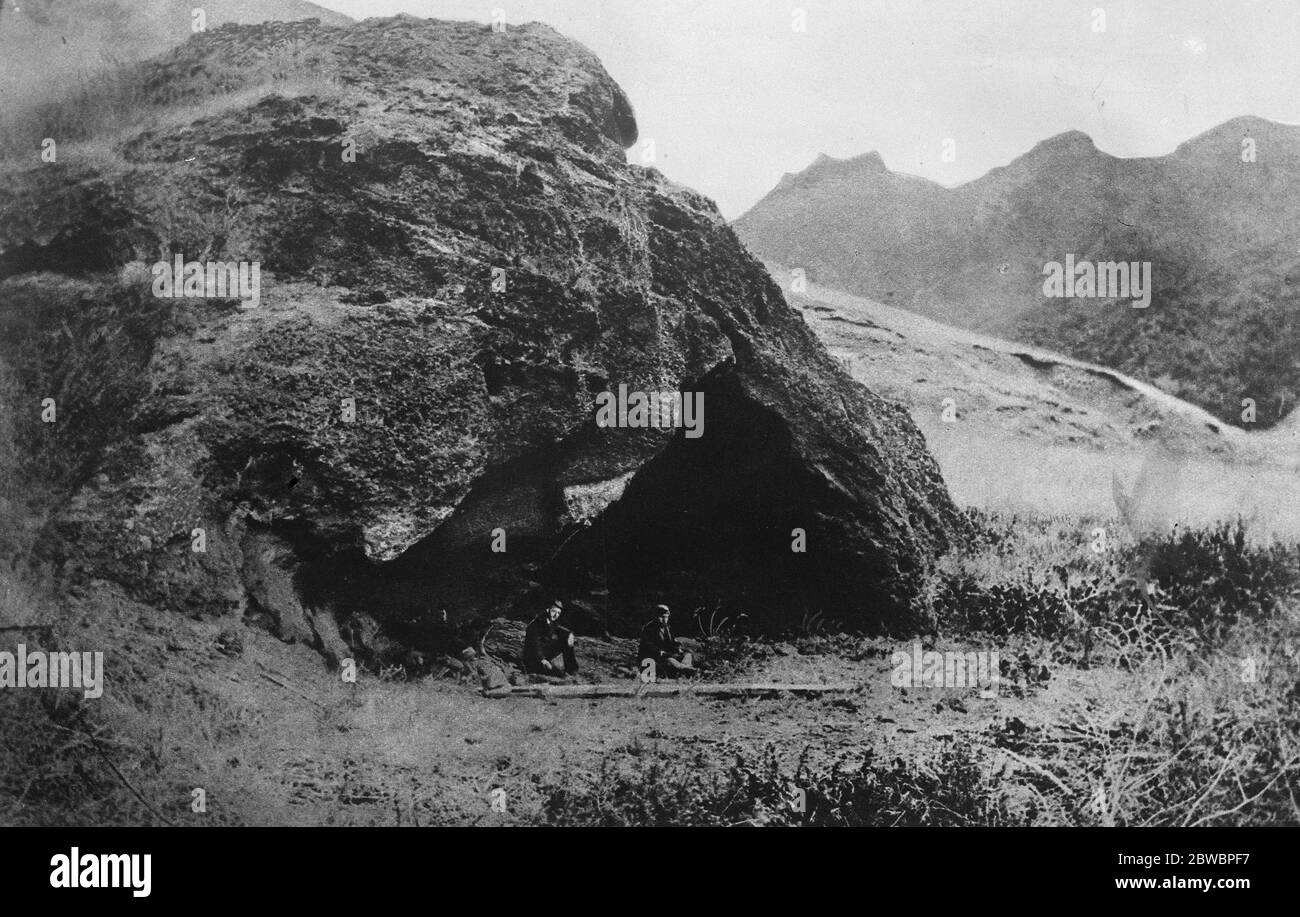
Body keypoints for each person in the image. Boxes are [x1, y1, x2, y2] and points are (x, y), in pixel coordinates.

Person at [637, 604, 695, 678]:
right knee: (670, 661)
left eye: (666, 617)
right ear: (656, 616)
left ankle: (684, 668)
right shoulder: (649, 628)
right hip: (655, 657)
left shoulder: (668, 628)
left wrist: (677, 648)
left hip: (668, 655)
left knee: (687, 655)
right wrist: (661, 652)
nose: (665, 620)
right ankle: (685, 670)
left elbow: (671, 642)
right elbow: (647, 645)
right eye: (662, 617)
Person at [523, 599, 579, 676]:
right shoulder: (537, 623)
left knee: (566, 640)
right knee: (560, 675)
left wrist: (570, 634)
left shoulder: (550, 621)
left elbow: (559, 628)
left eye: (558, 613)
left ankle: (572, 670)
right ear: (547, 610)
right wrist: (543, 659)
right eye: (554, 611)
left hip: (543, 654)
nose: (556, 615)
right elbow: (535, 644)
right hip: (535, 658)